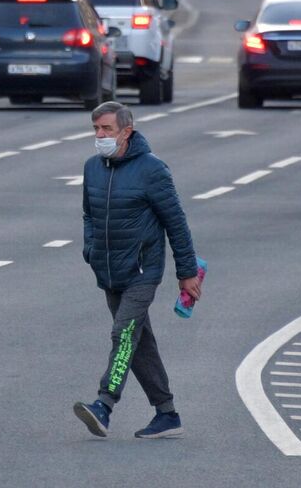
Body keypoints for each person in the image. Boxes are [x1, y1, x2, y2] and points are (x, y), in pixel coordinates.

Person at [73, 101, 200, 440]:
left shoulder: (152, 169)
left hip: (143, 270)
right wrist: (90, 248)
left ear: (126, 131)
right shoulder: (93, 167)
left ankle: (104, 405)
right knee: (139, 343)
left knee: (124, 334)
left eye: (107, 130)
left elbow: (176, 222)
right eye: (96, 129)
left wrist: (186, 272)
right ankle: (167, 413)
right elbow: (88, 214)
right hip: (108, 269)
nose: (100, 135)